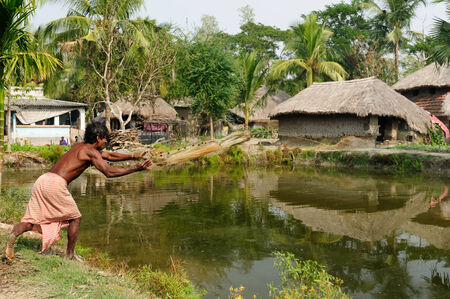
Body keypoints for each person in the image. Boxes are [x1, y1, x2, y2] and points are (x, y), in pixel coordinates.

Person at [5, 122, 151, 260]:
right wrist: (135, 168)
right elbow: (108, 172)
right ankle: (70, 255)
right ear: (98, 138)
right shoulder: (91, 152)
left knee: (32, 219)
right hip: (56, 183)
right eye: (104, 141)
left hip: (43, 180)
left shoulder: (80, 146)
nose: (105, 144)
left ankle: (13, 234)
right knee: (75, 218)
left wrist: (134, 156)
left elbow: (109, 156)